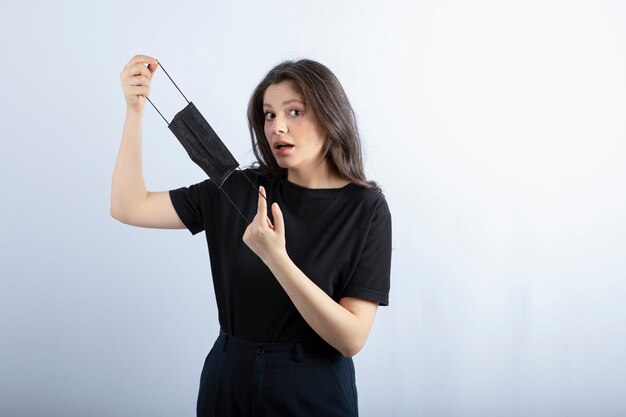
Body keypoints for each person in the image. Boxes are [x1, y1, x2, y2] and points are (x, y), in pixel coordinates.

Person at [111, 54, 392, 417]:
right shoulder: (237, 189)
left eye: (294, 112)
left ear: (330, 114)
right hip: (230, 380)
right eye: (269, 114)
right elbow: (127, 205)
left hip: (314, 386)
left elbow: (351, 338)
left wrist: (276, 257)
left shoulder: (366, 208)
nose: (276, 127)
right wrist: (134, 112)